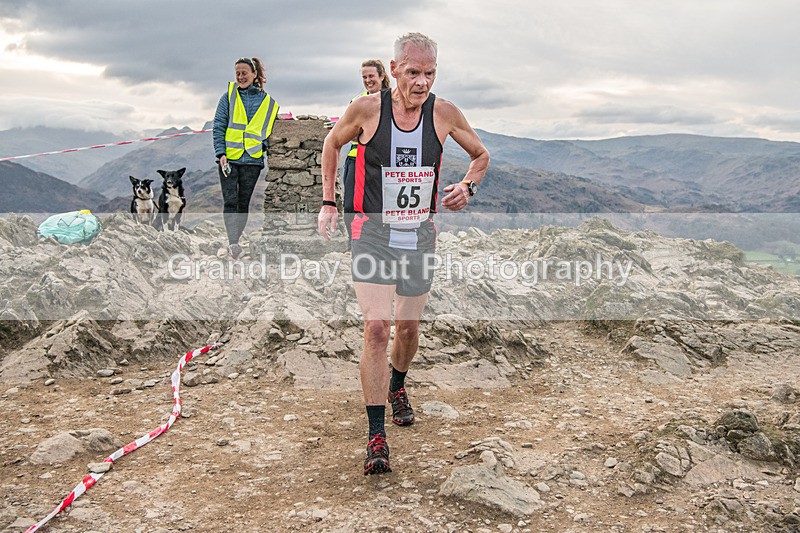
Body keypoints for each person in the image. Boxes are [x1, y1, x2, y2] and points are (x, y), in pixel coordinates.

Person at [318, 32, 490, 475]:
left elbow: (480, 155)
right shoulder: (367, 110)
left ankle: (398, 384)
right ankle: (376, 435)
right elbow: (332, 144)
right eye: (413, 72)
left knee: (408, 329)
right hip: (371, 232)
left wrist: (467, 186)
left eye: (430, 73)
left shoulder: (444, 113)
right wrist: (329, 202)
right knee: (377, 328)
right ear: (393, 70)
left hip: (418, 236)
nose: (422, 82)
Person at [213, 57, 280, 259]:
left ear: (254, 74)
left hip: (252, 160)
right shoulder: (228, 97)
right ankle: (233, 242)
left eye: (244, 73)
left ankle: (235, 239)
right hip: (229, 159)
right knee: (230, 201)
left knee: (243, 203)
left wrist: (263, 147)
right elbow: (219, 126)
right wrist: (220, 153)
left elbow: (269, 131)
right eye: (237, 73)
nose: (240, 77)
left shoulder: (268, 103)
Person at [342, 60, 392, 239]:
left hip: (382, 161)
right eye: (364, 77)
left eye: (371, 76)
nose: (368, 80)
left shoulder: (394, 100)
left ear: (382, 75)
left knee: (379, 206)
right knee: (349, 206)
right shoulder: (356, 101)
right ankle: (354, 242)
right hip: (355, 158)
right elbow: (348, 132)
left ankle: (380, 242)